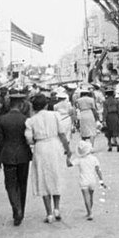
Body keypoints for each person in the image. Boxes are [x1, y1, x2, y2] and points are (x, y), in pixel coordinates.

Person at [25, 94, 73, 224]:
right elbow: (62, 134)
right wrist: (67, 149)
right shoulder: (55, 115)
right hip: (55, 146)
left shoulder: (31, 120)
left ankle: (49, 213)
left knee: (43, 178)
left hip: (40, 148)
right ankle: (57, 208)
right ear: (46, 105)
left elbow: (29, 139)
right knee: (56, 175)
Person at [0, 93, 32, 226]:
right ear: (21, 105)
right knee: (22, 184)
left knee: (10, 184)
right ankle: (21, 210)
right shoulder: (25, 119)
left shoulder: (2, 119)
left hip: (8, 156)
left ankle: (16, 209)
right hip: (23, 156)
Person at [75, 140, 106, 220]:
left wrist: (67, 157)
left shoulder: (79, 159)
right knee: (91, 196)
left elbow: (69, 164)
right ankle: (90, 211)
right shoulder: (94, 159)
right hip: (92, 180)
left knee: (86, 197)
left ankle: (89, 212)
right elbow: (98, 170)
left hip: (84, 180)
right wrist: (101, 181)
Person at [102, 87, 119, 152]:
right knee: (116, 131)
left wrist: (104, 120)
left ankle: (110, 146)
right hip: (115, 116)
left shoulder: (105, 102)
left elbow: (105, 111)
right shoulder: (116, 101)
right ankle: (118, 143)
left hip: (109, 117)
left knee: (109, 132)